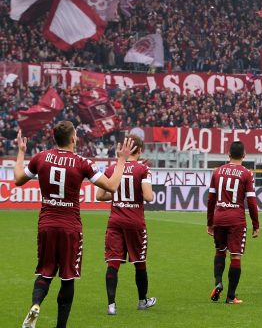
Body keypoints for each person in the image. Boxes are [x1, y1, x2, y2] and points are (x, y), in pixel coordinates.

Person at [14, 122, 134, 328]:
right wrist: (122, 159)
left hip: (46, 225)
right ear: (72, 139)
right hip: (70, 227)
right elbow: (112, 186)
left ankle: (35, 305)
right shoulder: (81, 163)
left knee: (45, 271)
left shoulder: (40, 158)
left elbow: (17, 179)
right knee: (67, 278)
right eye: (76, 135)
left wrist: (20, 152)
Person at [96, 134, 157, 315]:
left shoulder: (114, 168)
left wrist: (118, 196)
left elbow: (100, 196)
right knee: (139, 263)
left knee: (113, 262)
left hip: (115, 221)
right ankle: (142, 301)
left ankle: (111, 306)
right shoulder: (143, 169)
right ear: (140, 150)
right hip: (135, 222)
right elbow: (148, 196)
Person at [206, 141, 260, 304]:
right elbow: (251, 201)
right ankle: (231, 296)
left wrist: (210, 222)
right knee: (235, 256)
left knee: (219, 251)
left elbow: (211, 200)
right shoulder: (246, 174)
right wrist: (255, 224)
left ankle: (218, 282)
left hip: (219, 217)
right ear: (244, 155)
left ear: (228, 154)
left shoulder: (217, 172)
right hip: (236, 220)